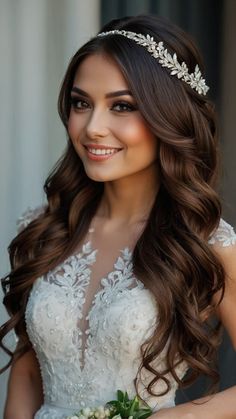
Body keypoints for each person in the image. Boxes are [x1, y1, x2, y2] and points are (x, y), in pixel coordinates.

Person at [1, 13, 236, 419]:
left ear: (170, 115)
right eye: (81, 103)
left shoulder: (206, 243)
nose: (93, 127)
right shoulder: (44, 230)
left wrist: (177, 416)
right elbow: (27, 374)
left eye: (122, 106)